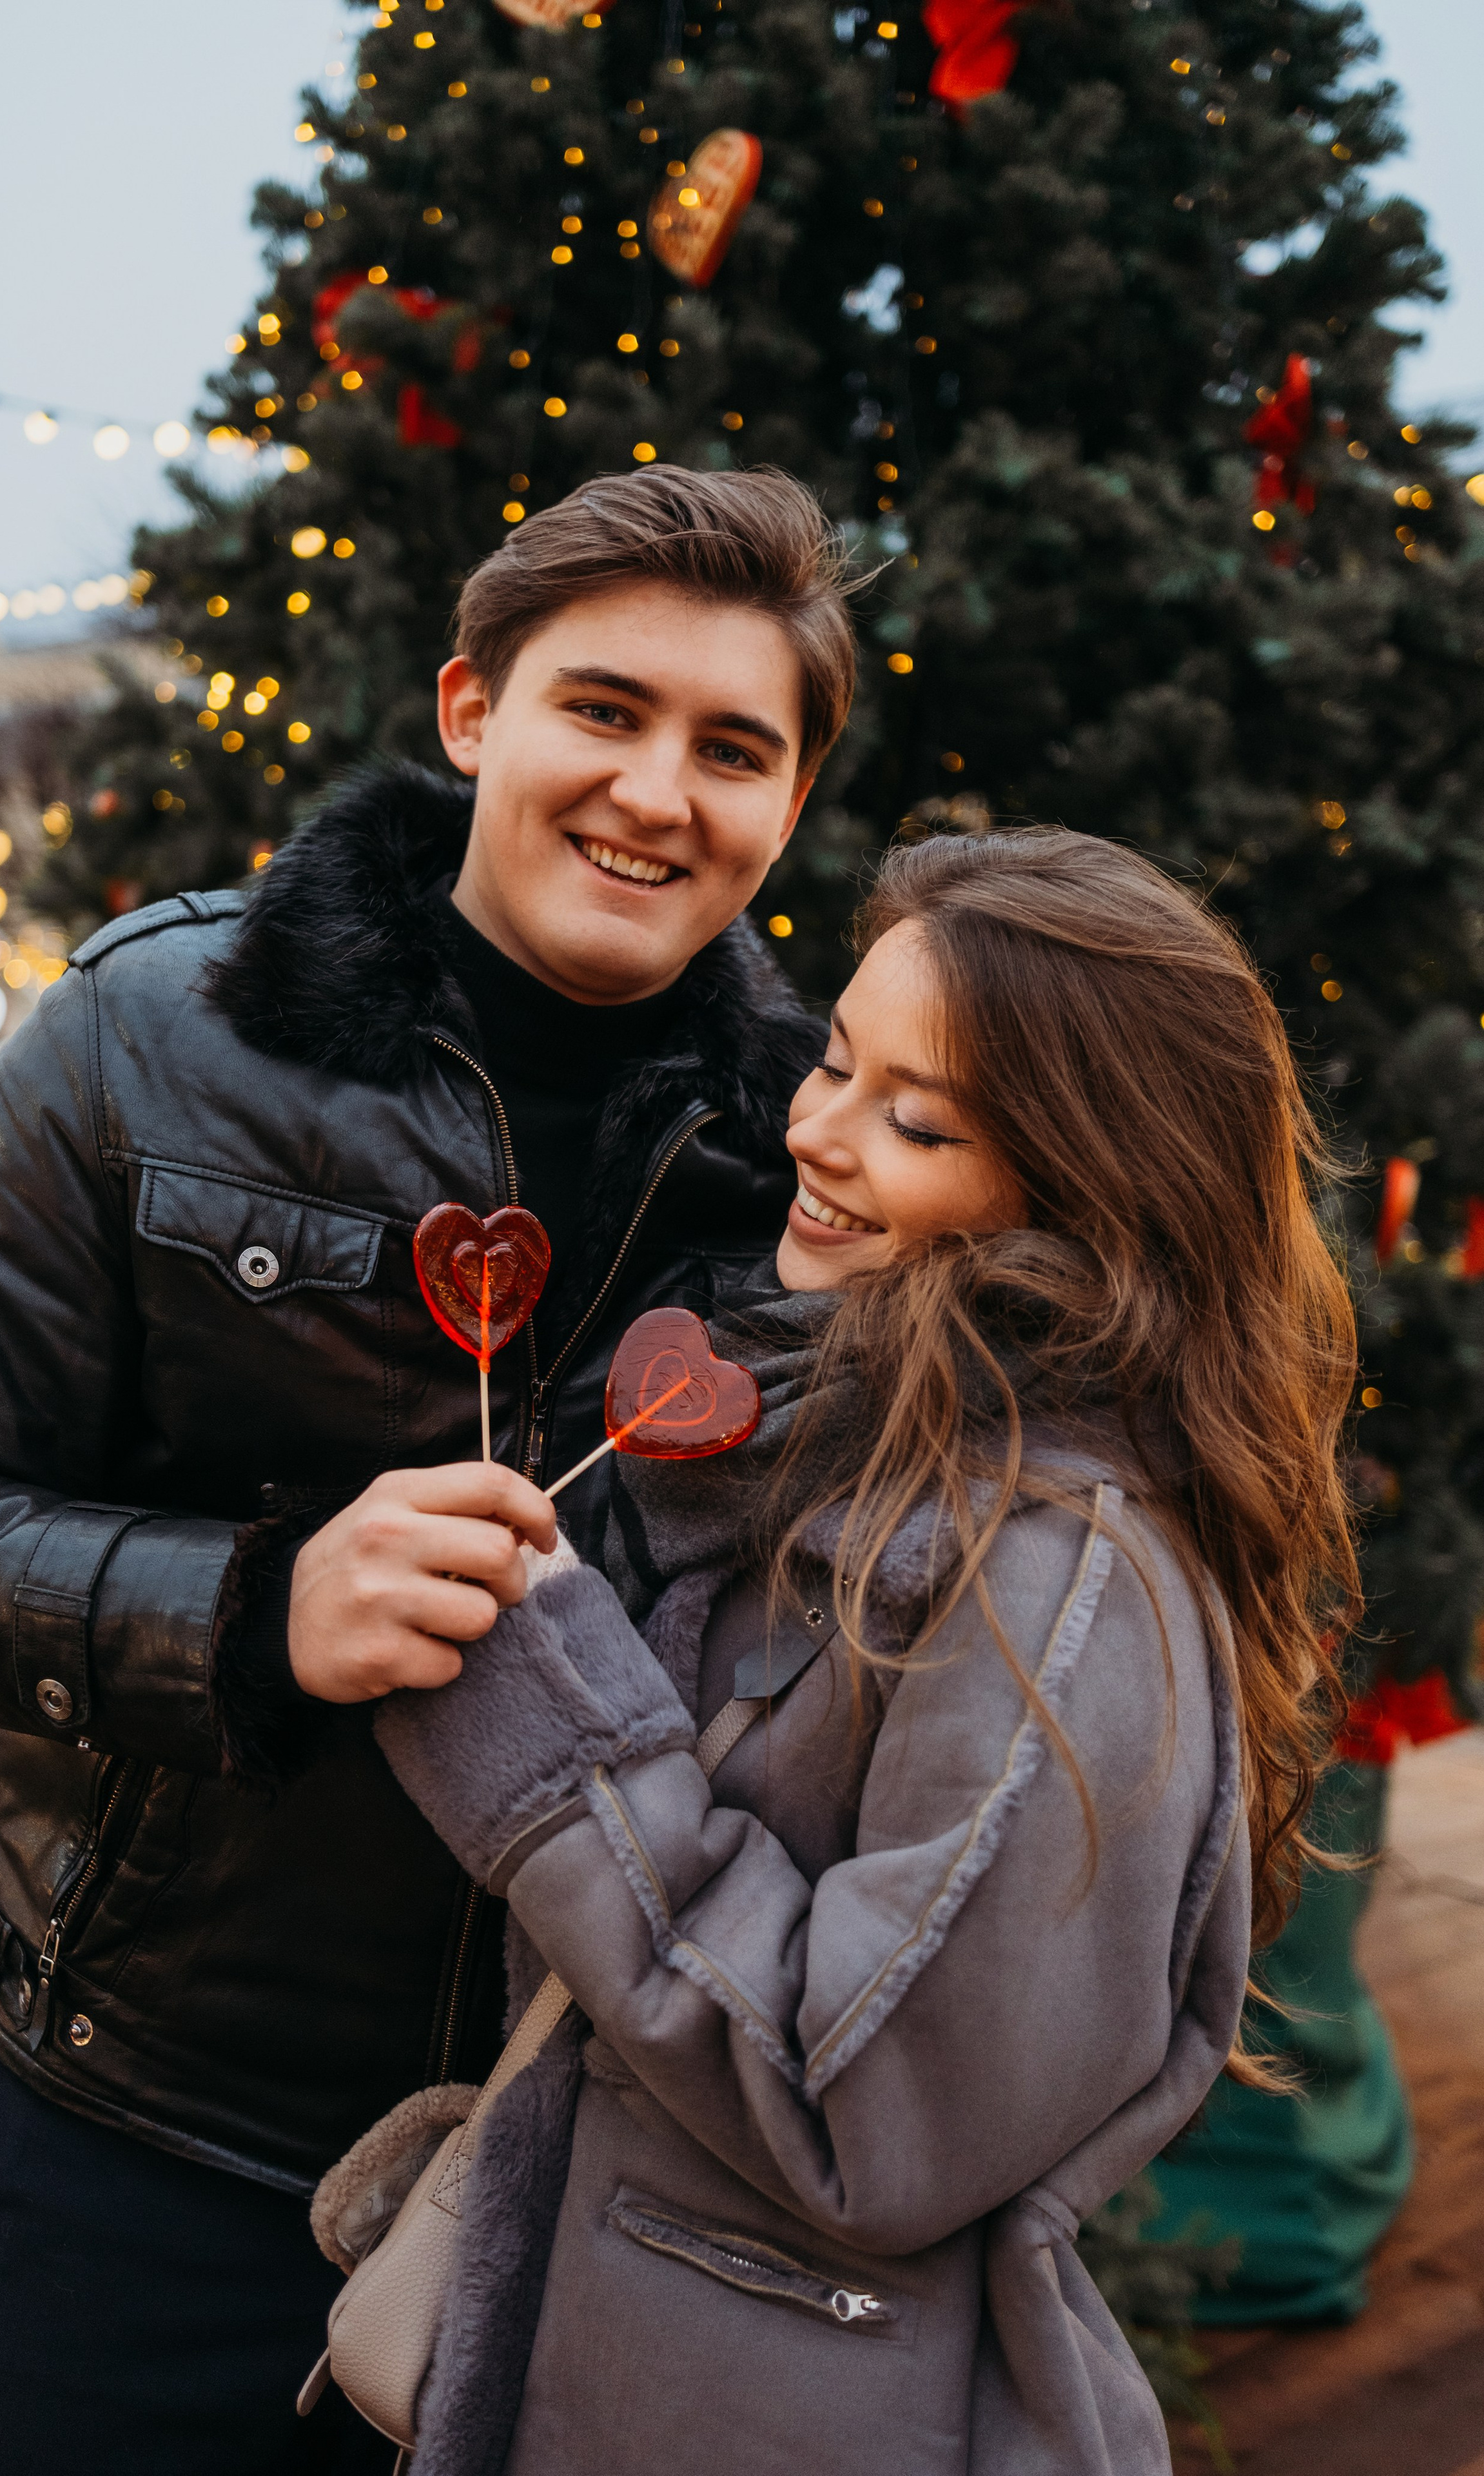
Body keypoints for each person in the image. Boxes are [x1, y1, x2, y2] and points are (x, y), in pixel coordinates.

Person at [0, 466, 855, 2473]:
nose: (659, 793)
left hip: (591, 2174)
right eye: (605, 711)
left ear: (791, 804)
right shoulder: (152, 1035)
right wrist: (248, 1615)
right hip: (147, 2137)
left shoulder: (816, 1167)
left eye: (734, 749)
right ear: (474, 712)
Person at [342, 824, 1362, 2475]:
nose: (815, 1134)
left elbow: (876, 2116)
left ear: (1087, 1185)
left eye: (916, 1120)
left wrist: (556, 1741)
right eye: (833, 1062)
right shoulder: (862, 1449)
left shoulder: (1054, 1581)